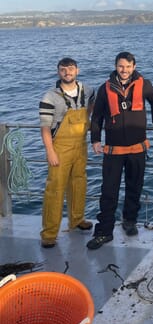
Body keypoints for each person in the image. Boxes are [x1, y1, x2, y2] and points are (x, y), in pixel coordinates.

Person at [87, 51, 153, 250]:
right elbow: (97, 117)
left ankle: (129, 220)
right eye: (121, 66)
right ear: (116, 66)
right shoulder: (105, 88)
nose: (124, 70)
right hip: (113, 150)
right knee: (108, 192)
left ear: (134, 67)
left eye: (128, 66)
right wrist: (95, 139)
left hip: (137, 148)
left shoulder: (144, 84)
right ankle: (104, 232)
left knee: (134, 188)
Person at [39, 57, 95, 248]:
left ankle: (77, 220)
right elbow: (45, 128)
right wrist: (50, 152)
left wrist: (88, 120)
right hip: (59, 148)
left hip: (81, 144)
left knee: (79, 183)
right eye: (63, 69)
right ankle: (49, 233)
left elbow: (93, 105)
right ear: (58, 72)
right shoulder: (50, 96)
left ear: (77, 71)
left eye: (71, 69)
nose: (67, 72)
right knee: (55, 190)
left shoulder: (87, 90)